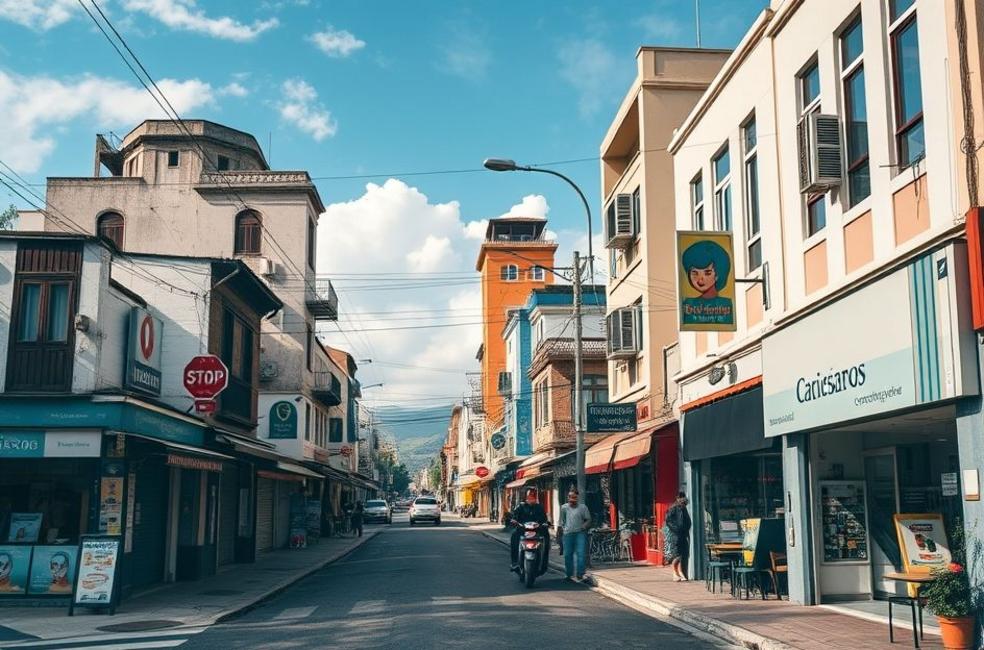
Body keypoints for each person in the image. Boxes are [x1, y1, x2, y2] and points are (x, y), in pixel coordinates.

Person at [680, 239, 734, 328]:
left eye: (707, 273)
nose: (700, 280)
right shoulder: (687, 304)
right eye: (694, 273)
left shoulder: (728, 304)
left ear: (717, 274)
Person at [509, 488, 549, 572]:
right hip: (523, 529)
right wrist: (514, 520)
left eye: (533, 495)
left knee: (546, 536)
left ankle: (543, 564)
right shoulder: (521, 506)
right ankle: (514, 563)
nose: (531, 497)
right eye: (529, 495)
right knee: (514, 535)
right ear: (526, 496)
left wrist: (545, 523)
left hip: (537, 530)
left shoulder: (539, 507)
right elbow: (514, 516)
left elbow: (544, 519)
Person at [558, 489, 591, 582]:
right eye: (570, 497)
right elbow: (562, 521)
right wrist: (561, 532)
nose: (572, 499)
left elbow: (588, 519)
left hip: (579, 533)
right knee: (568, 554)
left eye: (574, 497)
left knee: (580, 553)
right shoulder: (564, 508)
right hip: (568, 533)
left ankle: (580, 574)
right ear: (568, 497)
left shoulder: (583, 507)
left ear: (577, 498)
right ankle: (569, 574)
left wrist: (583, 527)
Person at [664, 492, 692, 582]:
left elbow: (688, 521)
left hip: (683, 535)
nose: (683, 499)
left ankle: (681, 573)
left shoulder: (684, 509)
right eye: (681, 497)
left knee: (684, 555)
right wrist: (676, 529)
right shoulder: (673, 509)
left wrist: (687, 528)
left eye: (683, 497)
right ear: (677, 498)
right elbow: (668, 521)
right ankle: (675, 573)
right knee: (677, 555)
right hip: (675, 536)